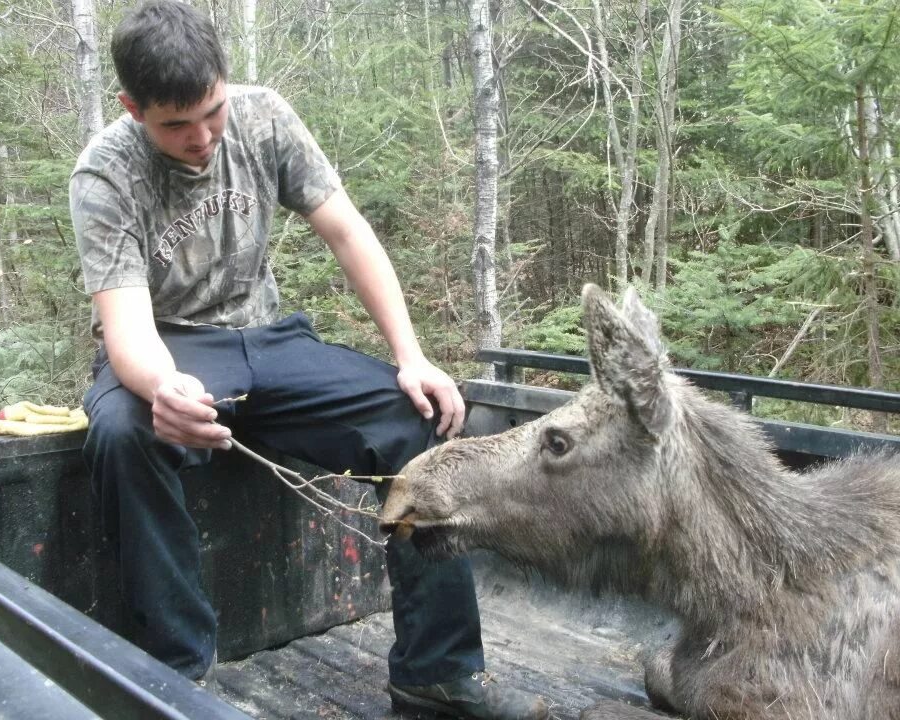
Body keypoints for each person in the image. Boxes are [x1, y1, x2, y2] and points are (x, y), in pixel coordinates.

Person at [68, 2, 548, 718]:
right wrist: (165, 387)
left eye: (212, 112)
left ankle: (434, 675)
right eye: (175, 124)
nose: (202, 138)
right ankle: (174, 674)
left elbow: (348, 232)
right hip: (169, 345)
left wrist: (409, 355)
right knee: (123, 431)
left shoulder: (264, 118)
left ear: (226, 84)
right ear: (131, 108)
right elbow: (127, 326)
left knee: (413, 416)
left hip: (272, 341)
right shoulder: (104, 174)